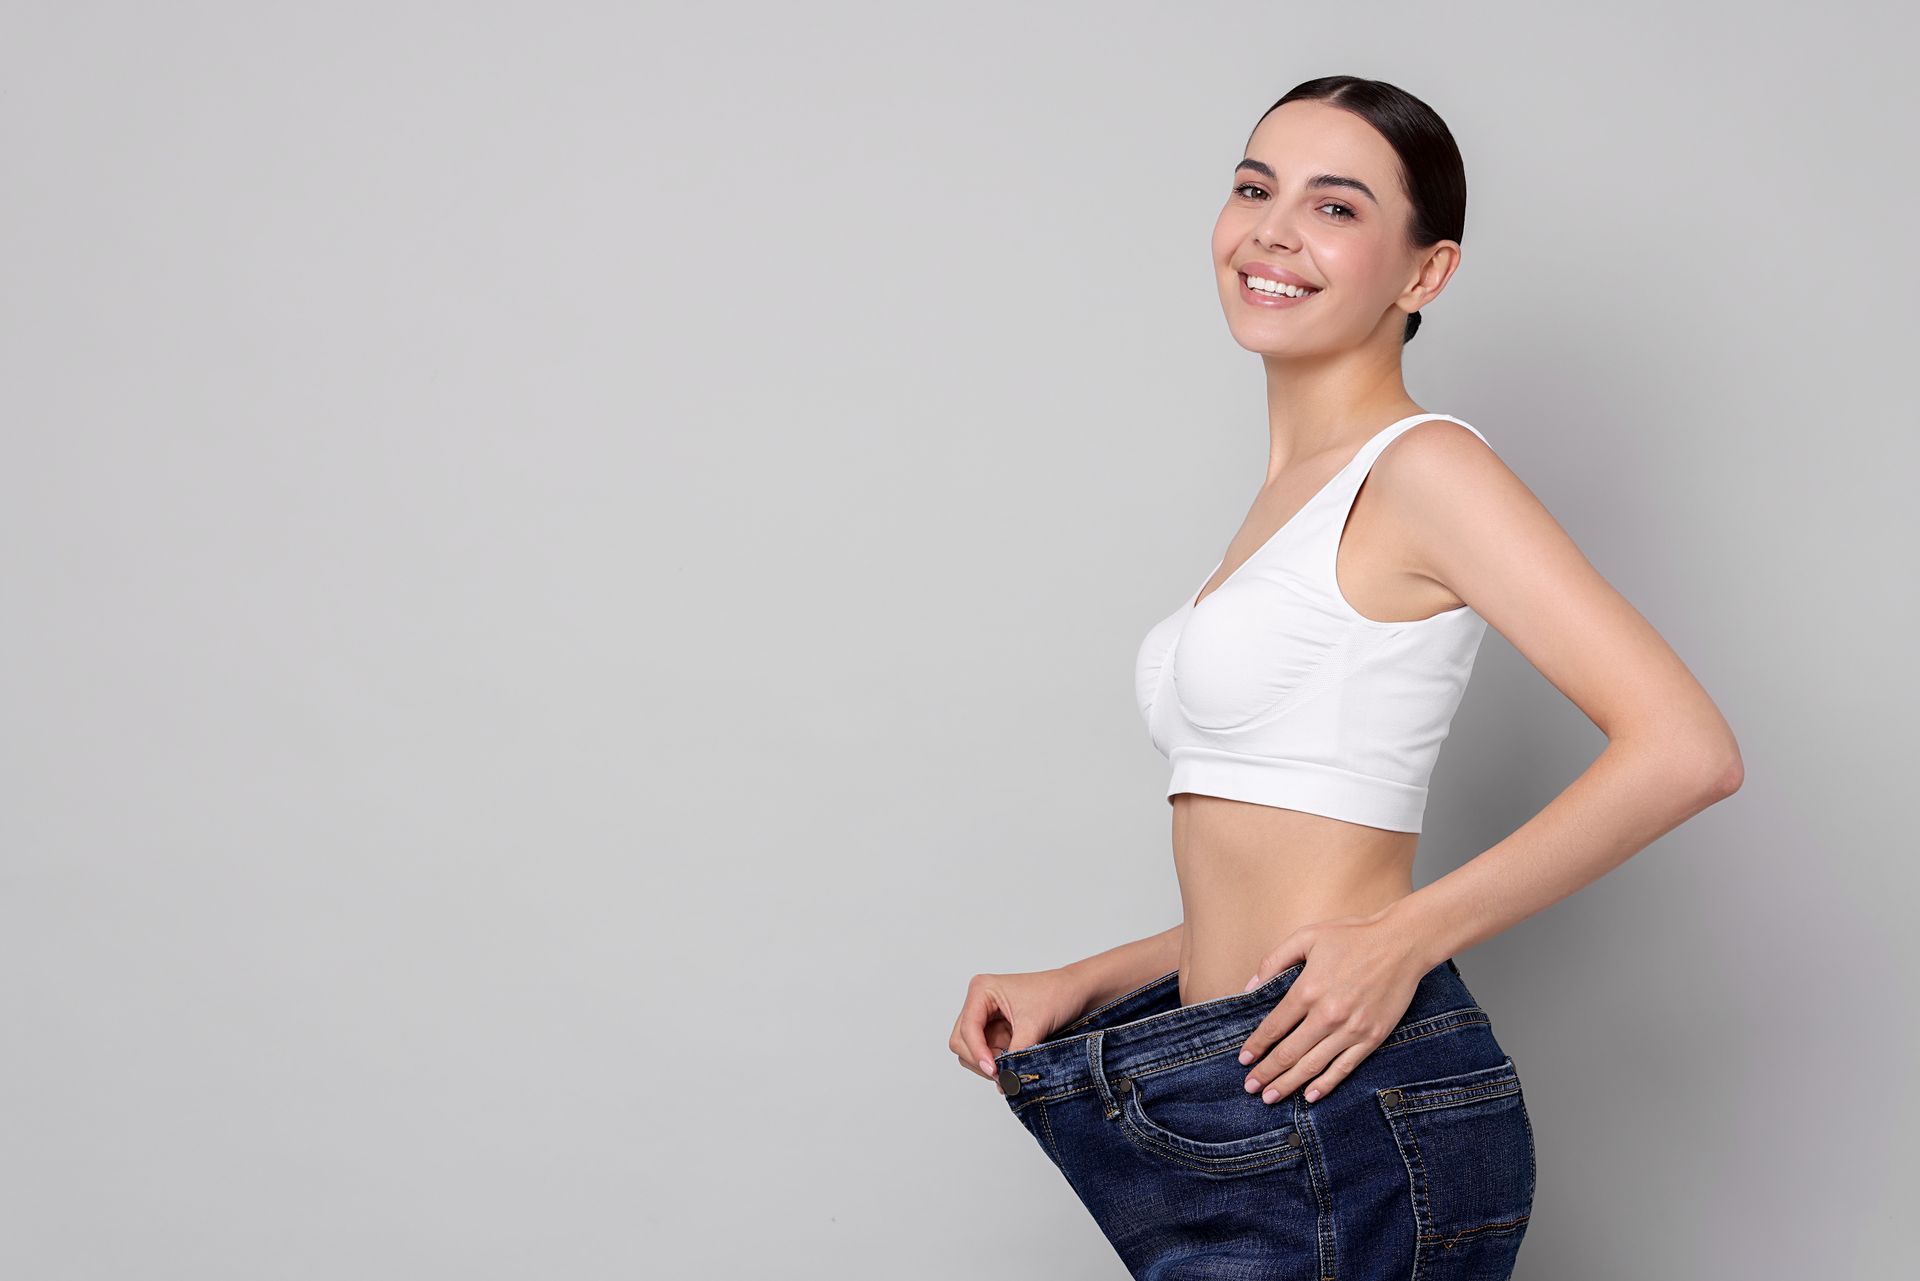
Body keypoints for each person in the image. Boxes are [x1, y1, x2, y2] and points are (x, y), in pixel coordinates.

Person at [947, 76, 1742, 1279]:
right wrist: (1088, 980)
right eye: (1255, 188)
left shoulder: (1424, 470)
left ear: (1424, 275)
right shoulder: (1289, 500)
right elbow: (1295, 886)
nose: (1272, 230)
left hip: (1339, 1110)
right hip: (1238, 1084)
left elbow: (1686, 749)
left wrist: (1407, 940)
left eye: (1335, 207)